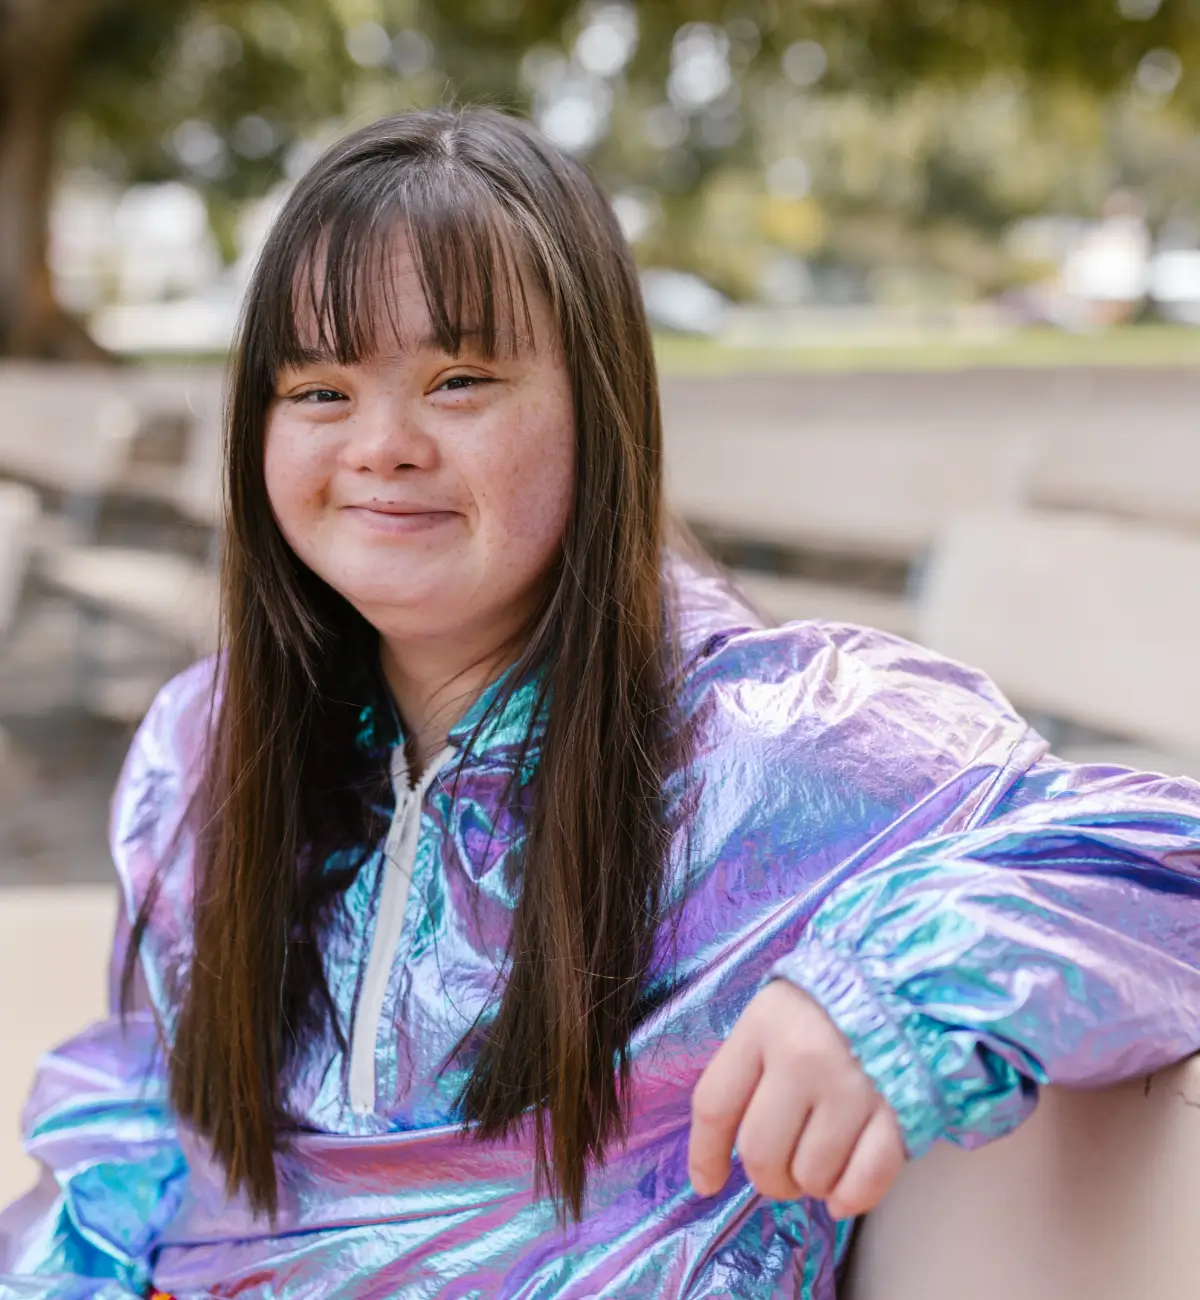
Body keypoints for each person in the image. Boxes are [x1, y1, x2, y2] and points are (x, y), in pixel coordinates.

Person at [1, 108, 1198, 1300]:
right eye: (317, 390)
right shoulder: (205, 744)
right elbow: (150, 1111)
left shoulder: (775, 740)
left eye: (459, 379)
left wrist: (887, 996)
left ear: (599, 406)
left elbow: (1165, 859)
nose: (382, 444)